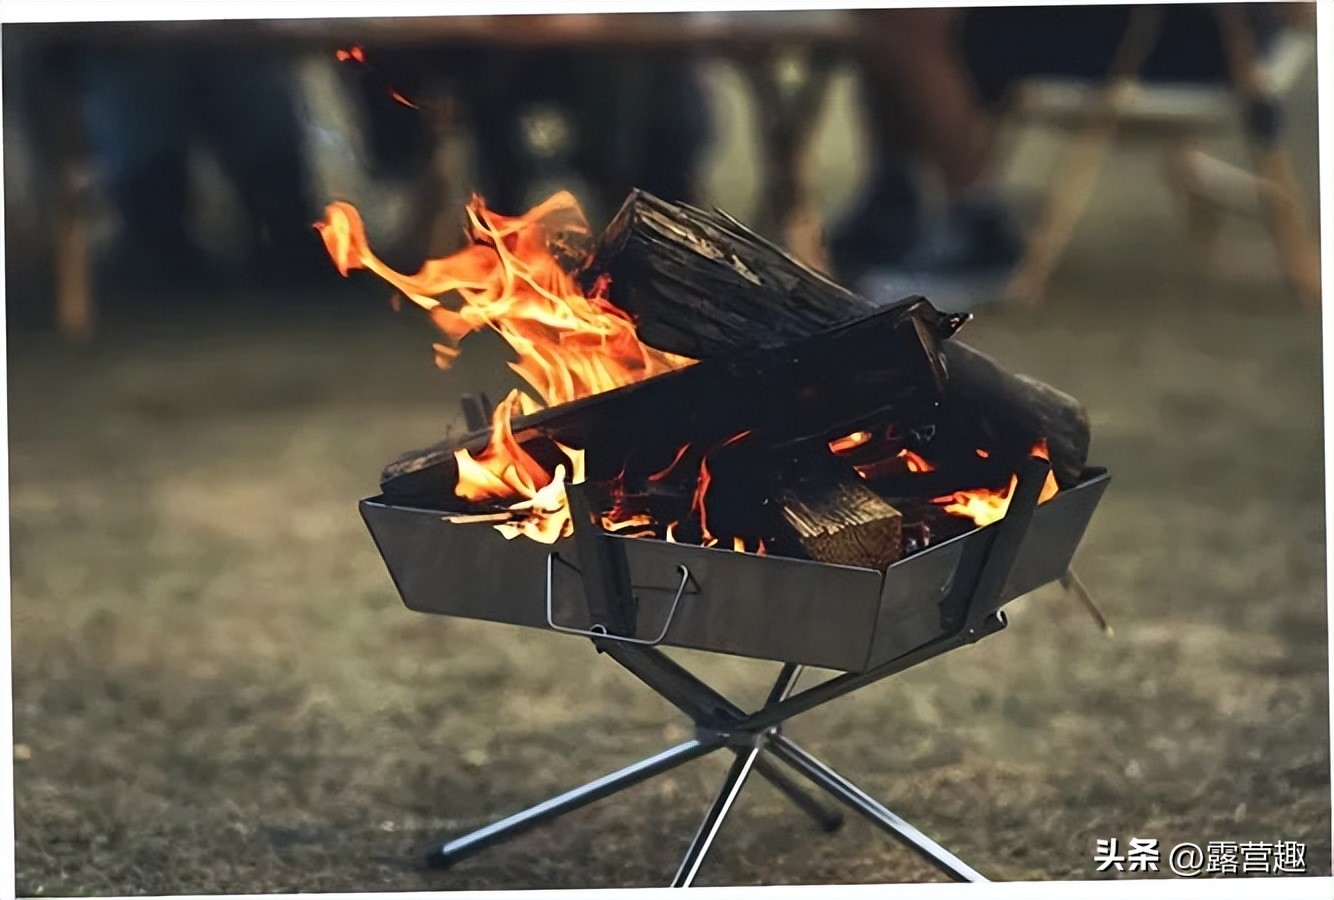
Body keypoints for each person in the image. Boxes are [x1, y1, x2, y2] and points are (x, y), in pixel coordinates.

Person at [829, 3, 1282, 304]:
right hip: (1143, 26)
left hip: (1183, 37)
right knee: (894, 15)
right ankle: (895, 198)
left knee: (903, 18)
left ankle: (981, 229)